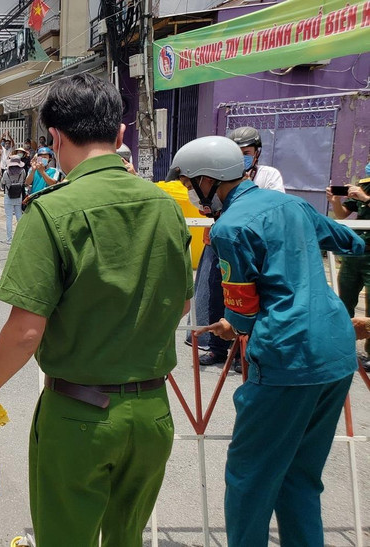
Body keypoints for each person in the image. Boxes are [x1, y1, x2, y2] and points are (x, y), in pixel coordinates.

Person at [0, 73, 193, 546]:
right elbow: (182, 300)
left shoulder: (50, 211)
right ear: (120, 134)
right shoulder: (167, 207)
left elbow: (26, 332)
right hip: (152, 413)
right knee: (127, 538)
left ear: (55, 137)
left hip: (80, 417)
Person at [168, 136, 363, 547]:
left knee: (249, 479)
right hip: (338, 354)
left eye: (189, 184)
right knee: (300, 478)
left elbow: (242, 308)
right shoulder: (292, 205)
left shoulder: (230, 227)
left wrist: (231, 325)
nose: (189, 193)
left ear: (208, 180)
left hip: (285, 357)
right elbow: (351, 243)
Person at [191, 126, 286, 369]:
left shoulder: (268, 175)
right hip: (219, 242)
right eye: (237, 152)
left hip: (251, 247)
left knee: (248, 298)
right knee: (216, 294)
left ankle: (242, 351)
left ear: (257, 153)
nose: (242, 156)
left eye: (246, 151)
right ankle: (217, 348)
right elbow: (205, 201)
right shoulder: (219, 174)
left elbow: (270, 204)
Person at [327, 161, 370, 360]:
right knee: (344, 299)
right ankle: (341, 345)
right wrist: (335, 200)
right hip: (356, 252)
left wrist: (365, 198)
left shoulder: (364, 191)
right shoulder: (364, 183)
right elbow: (342, 214)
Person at [0, 155, 27, 245]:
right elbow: (23, 182)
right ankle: (22, 236)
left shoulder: (6, 173)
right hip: (18, 196)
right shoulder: (22, 171)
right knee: (19, 216)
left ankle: (9, 239)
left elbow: (2, 183)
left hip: (8, 196)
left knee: (9, 218)